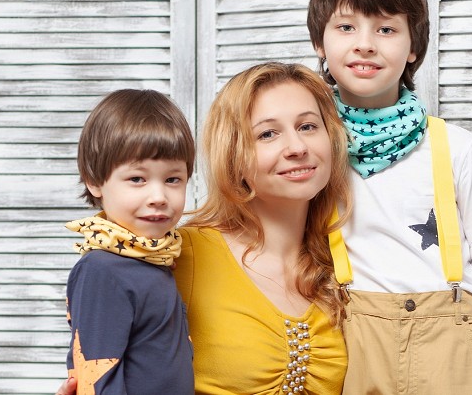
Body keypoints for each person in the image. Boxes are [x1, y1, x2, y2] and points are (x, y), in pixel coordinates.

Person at [306, 0, 472, 395]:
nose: (365, 44)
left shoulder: (457, 148)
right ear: (320, 41)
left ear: (413, 47)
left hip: (453, 350)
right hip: (350, 345)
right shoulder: (309, 150)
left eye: (386, 29)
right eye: (346, 27)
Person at [57, 62, 352, 395]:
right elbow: (102, 363)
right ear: (233, 152)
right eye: (267, 133)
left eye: (308, 126)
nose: (297, 147)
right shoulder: (175, 254)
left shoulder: (350, 260)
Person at [64, 89, 195, 394]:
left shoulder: (154, 257)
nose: (159, 197)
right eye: (137, 179)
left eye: (172, 179)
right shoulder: (102, 269)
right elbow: (99, 374)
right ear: (94, 180)